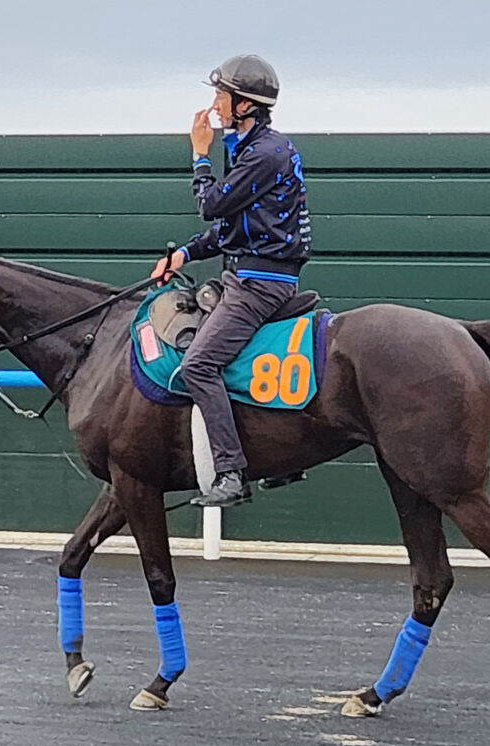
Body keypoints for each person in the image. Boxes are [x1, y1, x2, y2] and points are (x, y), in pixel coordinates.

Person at [150, 54, 312, 507]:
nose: (215, 104)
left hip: (259, 284)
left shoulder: (264, 153)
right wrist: (184, 253)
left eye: (221, 95)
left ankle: (230, 472)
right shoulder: (253, 149)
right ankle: (282, 457)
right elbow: (231, 229)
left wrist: (199, 154)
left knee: (198, 366)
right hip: (254, 273)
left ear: (245, 104)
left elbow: (213, 205)